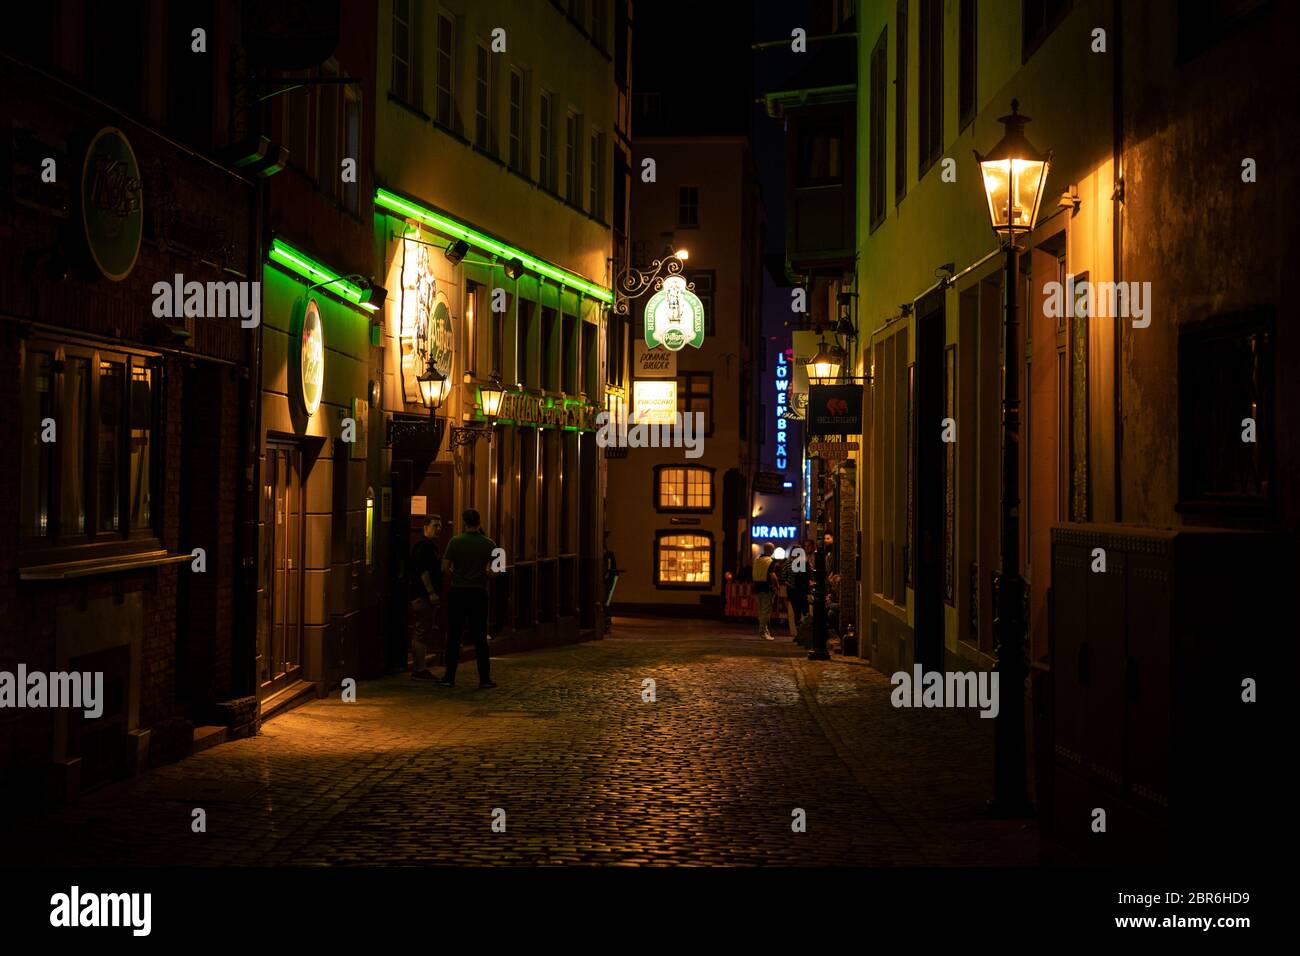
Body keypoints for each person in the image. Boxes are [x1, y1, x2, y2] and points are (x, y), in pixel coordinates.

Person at [440, 508, 498, 689]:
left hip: (458, 591)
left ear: (464, 522)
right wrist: (486, 575)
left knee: (454, 634)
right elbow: (498, 569)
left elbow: (444, 568)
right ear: (479, 522)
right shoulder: (489, 543)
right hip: (478, 592)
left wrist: (455, 576)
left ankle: (449, 676)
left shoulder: (455, 542)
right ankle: (484, 678)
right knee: (480, 636)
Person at [408, 516, 442, 679]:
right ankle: (419, 668)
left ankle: (419, 667)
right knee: (421, 630)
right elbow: (423, 570)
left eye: (440, 525)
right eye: (435, 525)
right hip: (422, 595)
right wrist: (430, 592)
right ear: (425, 527)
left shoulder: (430, 546)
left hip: (424, 595)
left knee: (424, 630)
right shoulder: (423, 546)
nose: (439, 528)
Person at [785, 539, 813, 638]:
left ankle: (798, 633)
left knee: (797, 612)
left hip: (793, 591)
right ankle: (804, 634)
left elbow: (785, 577)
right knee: (805, 612)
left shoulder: (789, 563)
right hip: (803, 590)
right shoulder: (804, 563)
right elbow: (809, 577)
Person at [751, 542, 779, 641]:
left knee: (761, 611)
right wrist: (777, 585)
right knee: (766, 612)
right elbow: (772, 575)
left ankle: (765, 631)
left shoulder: (757, 560)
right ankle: (762, 632)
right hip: (767, 589)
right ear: (771, 550)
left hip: (757, 589)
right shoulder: (770, 561)